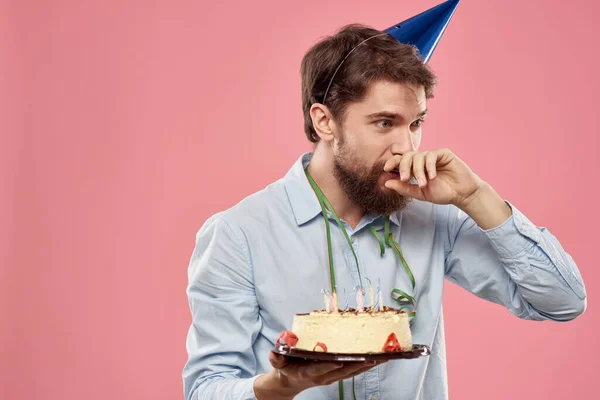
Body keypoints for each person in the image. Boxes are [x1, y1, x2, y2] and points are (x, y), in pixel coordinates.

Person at [182, 9, 587, 400]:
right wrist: (280, 388)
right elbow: (206, 388)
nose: (406, 147)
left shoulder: (435, 217)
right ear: (325, 121)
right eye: (384, 123)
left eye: (416, 123)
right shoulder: (239, 234)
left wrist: (475, 196)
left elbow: (562, 302)